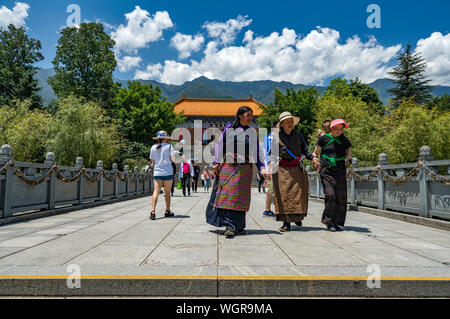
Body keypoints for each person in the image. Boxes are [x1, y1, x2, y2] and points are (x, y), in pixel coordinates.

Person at [209, 106, 268, 237]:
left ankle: (239, 225)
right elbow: (220, 145)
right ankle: (230, 225)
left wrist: (262, 167)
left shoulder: (252, 132)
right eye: (248, 115)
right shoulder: (229, 129)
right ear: (240, 116)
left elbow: (257, 151)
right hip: (228, 166)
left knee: (241, 197)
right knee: (228, 195)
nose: (251, 118)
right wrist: (215, 162)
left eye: (252, 115)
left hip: (245, 168)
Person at [270, 112, 316, 232]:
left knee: (298, 194)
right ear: (282, 125)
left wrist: (313, 159)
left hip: (296, 169)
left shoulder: (298, 135)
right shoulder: (277, 137)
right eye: (287, 122)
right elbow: (273, 153)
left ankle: (297, 216)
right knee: (284, 195)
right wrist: (271, 163)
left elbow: (305, 150)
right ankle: (286, 223)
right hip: (282, 170)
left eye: (291, 122)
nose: (290, 124)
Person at [312, 118, 352, 232]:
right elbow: (315, 152)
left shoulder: (344, 139)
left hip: (340, 170)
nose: (339, 131)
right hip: (326, 170)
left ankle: (338, 222)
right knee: (330, 195)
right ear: (332, 128)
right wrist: (314, 159)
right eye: (336, 129)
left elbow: (349, 149)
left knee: (341, 196)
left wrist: (348, 158)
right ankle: (329, 222)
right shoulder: (323, 139)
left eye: (341, 129)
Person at [149, 131, 176, 220]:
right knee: (167, 192)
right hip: (168, 172)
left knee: (156, 191)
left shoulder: (153, 147)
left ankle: (153, 211)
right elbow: (173, 159)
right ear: (165, 138)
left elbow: (152, 161)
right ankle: (167, 210)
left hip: (157, 172)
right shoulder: (169, 147)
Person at [262, 121, 277, 217]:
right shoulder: (275, 138)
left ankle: (267, 210)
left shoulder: (266, 137)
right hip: (274, 166)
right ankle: (268, 210)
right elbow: (266, 153)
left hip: (270, 166)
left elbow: (264, 154)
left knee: (271, 188)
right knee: (272, 188)